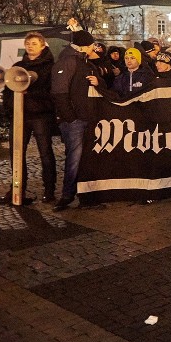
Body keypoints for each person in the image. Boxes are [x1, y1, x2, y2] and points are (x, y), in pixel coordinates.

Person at [0, 32, 57, 205]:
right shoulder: (18, 66)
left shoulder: (50, 67)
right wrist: (11, 107)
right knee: (16, 154)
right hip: (20, 115)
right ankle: (17, 190)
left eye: (34, 43)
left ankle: (49, 190)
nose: (30, 46)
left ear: (43, 46)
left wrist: (30, 95)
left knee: (45, 153)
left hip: (40, 116)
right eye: (28, 43)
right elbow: (8, 90)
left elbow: (51, 93)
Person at [51, 28, 100, 211]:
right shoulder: (69, 61)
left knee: (80, 158)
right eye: (91, 45)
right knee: (74, 158)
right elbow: (59, 93)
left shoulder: (80, 60)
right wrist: (71, 118)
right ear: (85, 46)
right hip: (75, 120)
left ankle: (83, 194)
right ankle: (67, 194)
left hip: (82, 117)